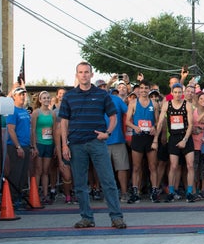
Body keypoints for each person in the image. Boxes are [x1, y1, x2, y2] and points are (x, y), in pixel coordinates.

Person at [58, 62, 126, 230]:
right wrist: (64, 145)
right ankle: (86, 217)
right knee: (80, 183)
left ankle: (116, 217)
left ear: (91, 74)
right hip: (76, 144)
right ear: (77, 75)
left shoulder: (102, 95)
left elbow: (113, 117)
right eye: (80, 72)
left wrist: (107, 133)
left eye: (86, 72)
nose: (84, 75)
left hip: (97, 142)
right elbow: (64, 122)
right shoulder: (69, 96)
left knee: (108, 180)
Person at [162, 82, 197, 202]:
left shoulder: (187, 104)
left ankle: (189, 192)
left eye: (179, 92)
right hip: (173, 137)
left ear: (182, 93)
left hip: (186, 137)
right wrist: (156, 138)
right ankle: (171, 192)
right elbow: (161, 120)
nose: (177, 94)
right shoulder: (167, 104)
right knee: (173, 166)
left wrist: (185, 140)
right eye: (175, 92)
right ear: (172, 93)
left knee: (190, 165)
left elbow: (191, 124)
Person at [126, 81, 160, 203]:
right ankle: (135, 192)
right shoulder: (133, 103)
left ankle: (154, 191)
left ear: (149, 89)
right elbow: (127, 121)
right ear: (139, 90)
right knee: (136, 167)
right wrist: (135, 127)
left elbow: (157, 121)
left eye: (146, 88)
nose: (144, 90)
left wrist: (154, 127)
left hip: (150, 138)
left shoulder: (154, 104)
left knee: (152, 166)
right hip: (138, 137)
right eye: (142, 88)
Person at [31, 91, 61, 204]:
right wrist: (34, 146)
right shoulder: (36, 113)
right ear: (40, 100)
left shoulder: (53, 113)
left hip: (49, 144)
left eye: (48, 98)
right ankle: (35, 194)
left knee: (46, 170)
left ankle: (45, 194)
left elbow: (54, 130)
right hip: (39, 143)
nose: (46, 100)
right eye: (44, 98)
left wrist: (55, 146)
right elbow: (33, 130)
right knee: (38, 170)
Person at [5, 87, 33, 196]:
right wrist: (18, 147)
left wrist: (31, 146)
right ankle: (11, 197)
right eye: (20, 94)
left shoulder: (24, 111)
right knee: (16, 172)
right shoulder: (12, 111)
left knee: (23, 173)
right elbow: (11, 129)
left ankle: (19, 196)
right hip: (16, 146)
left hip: (25, 145)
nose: (22, 96)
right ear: (14, 97)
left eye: (23, 94)